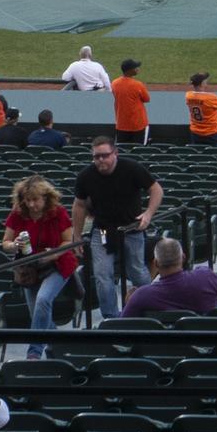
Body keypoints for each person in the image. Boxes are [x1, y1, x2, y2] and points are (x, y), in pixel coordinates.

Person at [71, 135, 162, 319]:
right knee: (102, 274)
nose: (101, 160)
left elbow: (156, 189)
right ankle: (111, 317)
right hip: (103, 229)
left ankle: (150, 310)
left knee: (136, 270)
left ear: (115, 153)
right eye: (96, 156)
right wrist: (77, 235)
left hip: (131, 228)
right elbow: (79, 205)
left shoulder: (131, 168)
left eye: (105, 155)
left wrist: (149, 213)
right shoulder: (86, 176)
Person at [1, 175, 77, 360]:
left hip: (57, 264)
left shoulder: (57, 212)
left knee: (43, 301)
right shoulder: (18, 213)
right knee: (39, 314)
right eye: (28, 200)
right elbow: (5, 242)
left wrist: (54, 253)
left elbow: (68, 241)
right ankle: (59, 347)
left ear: (45, 197)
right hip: (30, 268)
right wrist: (14, 245)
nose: (32, 204)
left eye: (35, 200)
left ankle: (34, 352)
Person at [123, 236, 217, 316]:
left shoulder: (141, 295)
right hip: (211, 342)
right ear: (183, 257)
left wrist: (129, 303)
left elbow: (122, 325)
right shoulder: (206, 276)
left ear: (156, 263)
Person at [111, 59, 151, 144]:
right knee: (139, 150)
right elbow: (147, 99)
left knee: (122, 150)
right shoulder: (138, 84)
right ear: (130, 70)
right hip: (138, 124)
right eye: (135, 67)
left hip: (121, 124)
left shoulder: (114, 83)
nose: (137, 69)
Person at [184, 72, 217, 145]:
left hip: (195, 132)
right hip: (213, 133)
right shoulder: (211, 98)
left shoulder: (188, 96)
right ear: (202, 83)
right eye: (205, 80)